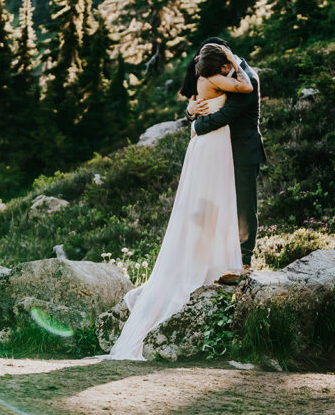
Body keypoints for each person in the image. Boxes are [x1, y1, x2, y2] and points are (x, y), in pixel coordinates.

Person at [104, 43, 253, 361]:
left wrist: (192, 114)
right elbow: (245, 87)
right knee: (211, 203)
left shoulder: (203, 80)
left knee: (206, 205)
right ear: (218, 64)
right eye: (223, 62)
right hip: (213, 146)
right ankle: (207, 264)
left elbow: (197, 106)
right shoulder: (219, 78)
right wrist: (233, 61)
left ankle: (208, 260)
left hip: (207, 145)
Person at [184, 38, 266, 282]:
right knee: (216, 204)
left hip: (243, 151)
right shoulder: (221, 74)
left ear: (225, 63)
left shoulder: (248, 78)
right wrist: (190, 112)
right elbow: (203, 101)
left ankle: (244, 262)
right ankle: (215, 260)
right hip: (220, 152)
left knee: (243, 207)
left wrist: (197, 126)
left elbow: (227, 114)